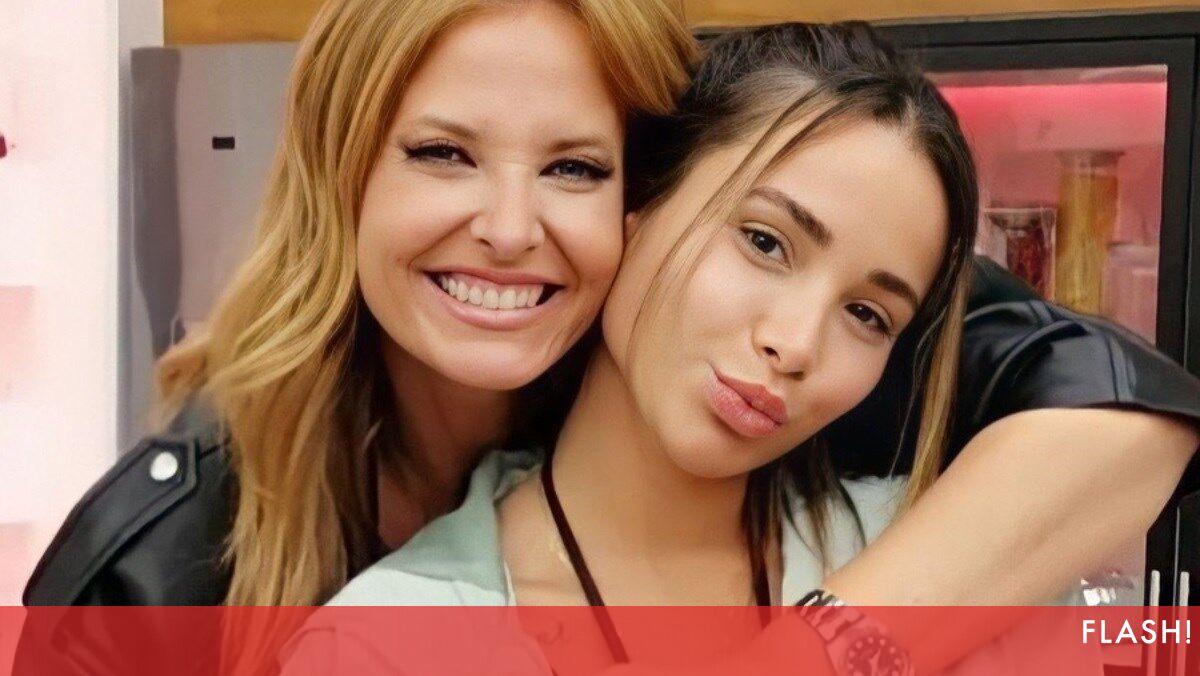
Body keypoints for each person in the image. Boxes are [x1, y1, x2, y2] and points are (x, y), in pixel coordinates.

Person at [23, 0, 1199, 624]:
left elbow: (1119, 399)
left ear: (634, 197)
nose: (510, 227)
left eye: (574, 168)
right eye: (442, 153)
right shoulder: (153, 571)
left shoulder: (798, 384)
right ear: (341, 176)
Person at [280, 22, 1121, 676]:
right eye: (764, 242)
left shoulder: (967, 559)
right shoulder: (385, 643)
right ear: (635, 207)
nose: (794, 344)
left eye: (867, 314)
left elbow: (1136, 415)